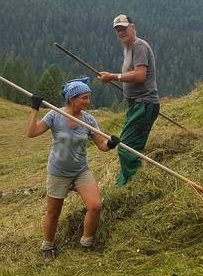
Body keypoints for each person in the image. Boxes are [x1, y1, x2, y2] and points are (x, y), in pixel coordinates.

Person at [26, 78, 120, 261]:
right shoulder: (54, 115)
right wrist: (34, 109)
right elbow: (32, 132)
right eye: (85, 98)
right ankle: (48, 246)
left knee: (95, 206)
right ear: (72, 99)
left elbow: (101, 145)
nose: (88, 101)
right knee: (53, 212)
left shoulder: (89, 120)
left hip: (80, 171)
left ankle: (87, 242)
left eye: (89, 97)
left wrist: (111, 144)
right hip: (58, 173)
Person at [97, 14, 160, 186]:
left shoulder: (138, 46)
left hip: (144, 104)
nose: (121, 32)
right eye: (117, 30)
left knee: (126, 148)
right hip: (137, 104)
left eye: (124, 28)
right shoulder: (128, 47)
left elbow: (140, 75)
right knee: (129, 145)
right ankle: (126, 181)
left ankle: (135, 183)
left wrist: (114, 76)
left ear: (132, 27)